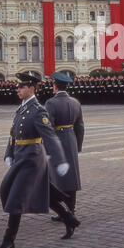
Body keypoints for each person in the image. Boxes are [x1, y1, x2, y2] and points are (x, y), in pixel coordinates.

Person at [0, 73, 80, 248]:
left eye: (21, 87)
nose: (18, 89)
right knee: (44, 194)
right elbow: (13, 134)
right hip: (21, 157)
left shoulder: (38, 110)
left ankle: (8, 241)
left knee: (15, 198)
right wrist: (8, 153)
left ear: (32, 88)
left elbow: (49, 137)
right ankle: (68, 218)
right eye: (18, 87)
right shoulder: (22, 109)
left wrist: (60, 160)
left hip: (32, 159)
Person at [45, 72, 84, 222]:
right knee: (72, 176)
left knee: (57, 177)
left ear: (55, 87)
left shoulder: (50, 103)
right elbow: (80, 126)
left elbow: (48, 127)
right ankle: (71, 209)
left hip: (57, 141)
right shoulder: (75, 102)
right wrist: (78, 145)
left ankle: (64, 212)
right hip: (71, 139)